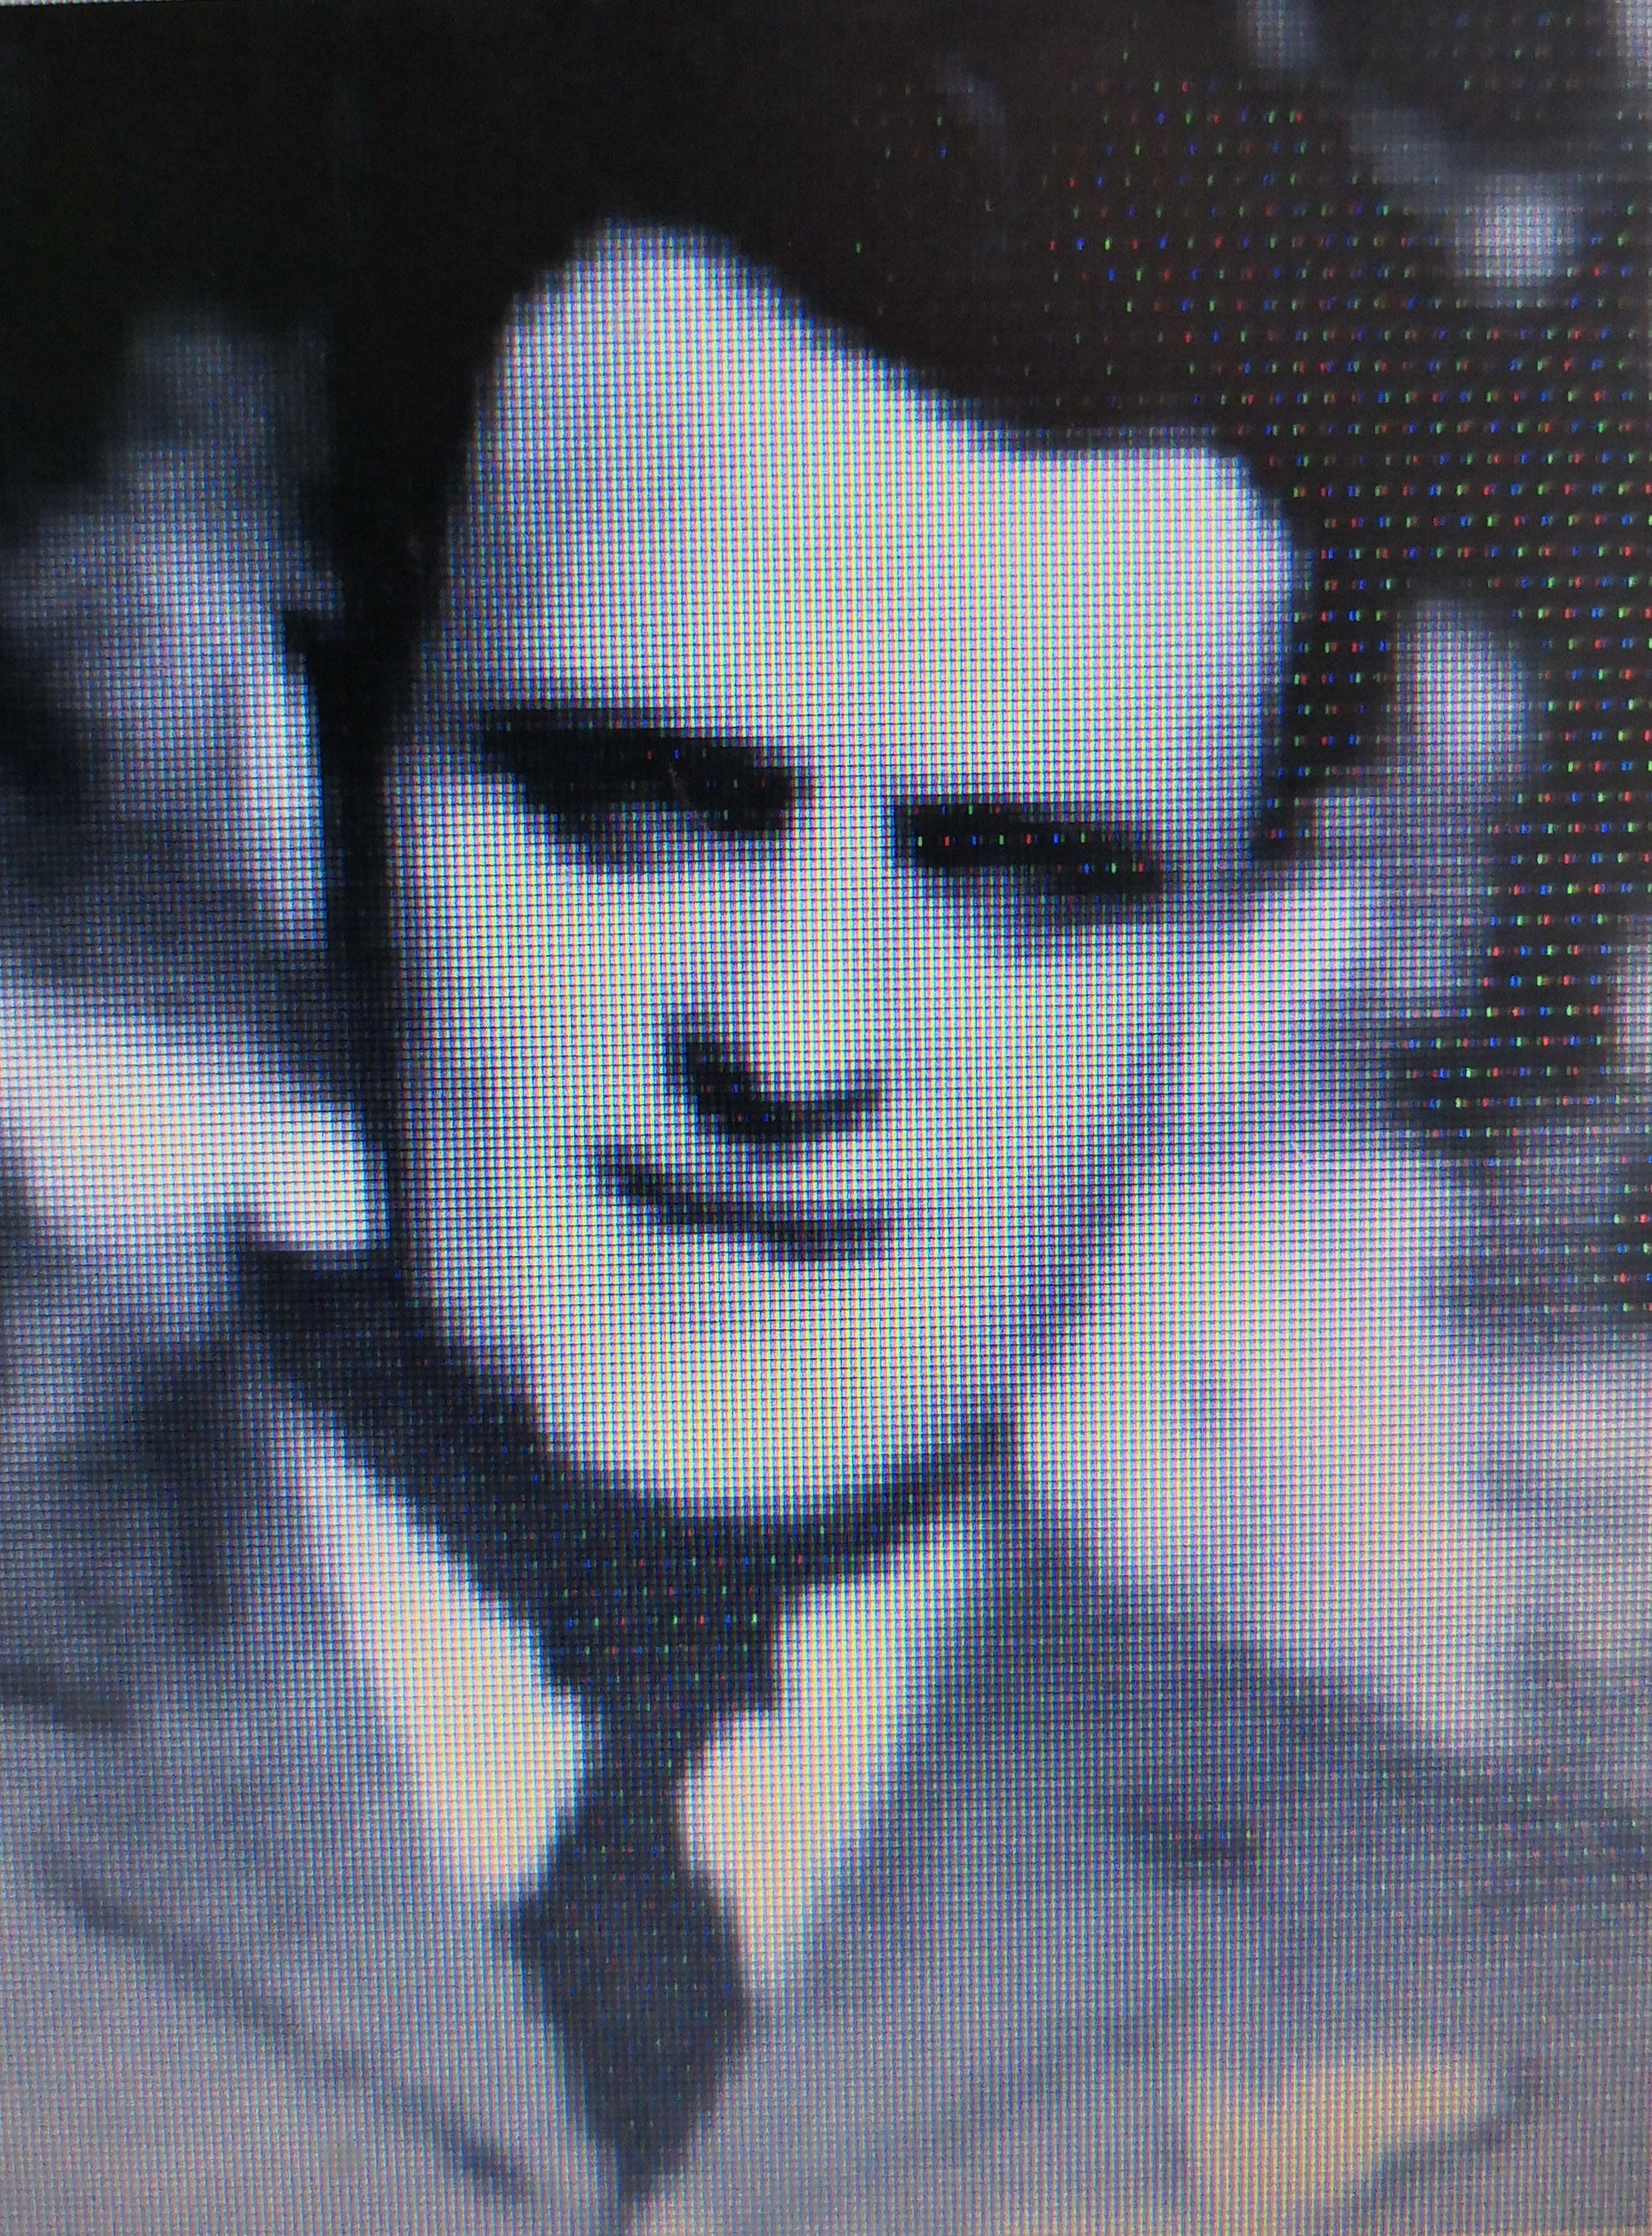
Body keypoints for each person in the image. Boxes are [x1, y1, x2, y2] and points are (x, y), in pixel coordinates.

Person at [0, 1, 1649, 2229]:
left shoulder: (1537, 2002)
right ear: (311, 776)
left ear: (1260, 967)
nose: (790, 1043)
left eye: (1017, 878)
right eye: (635, 803)